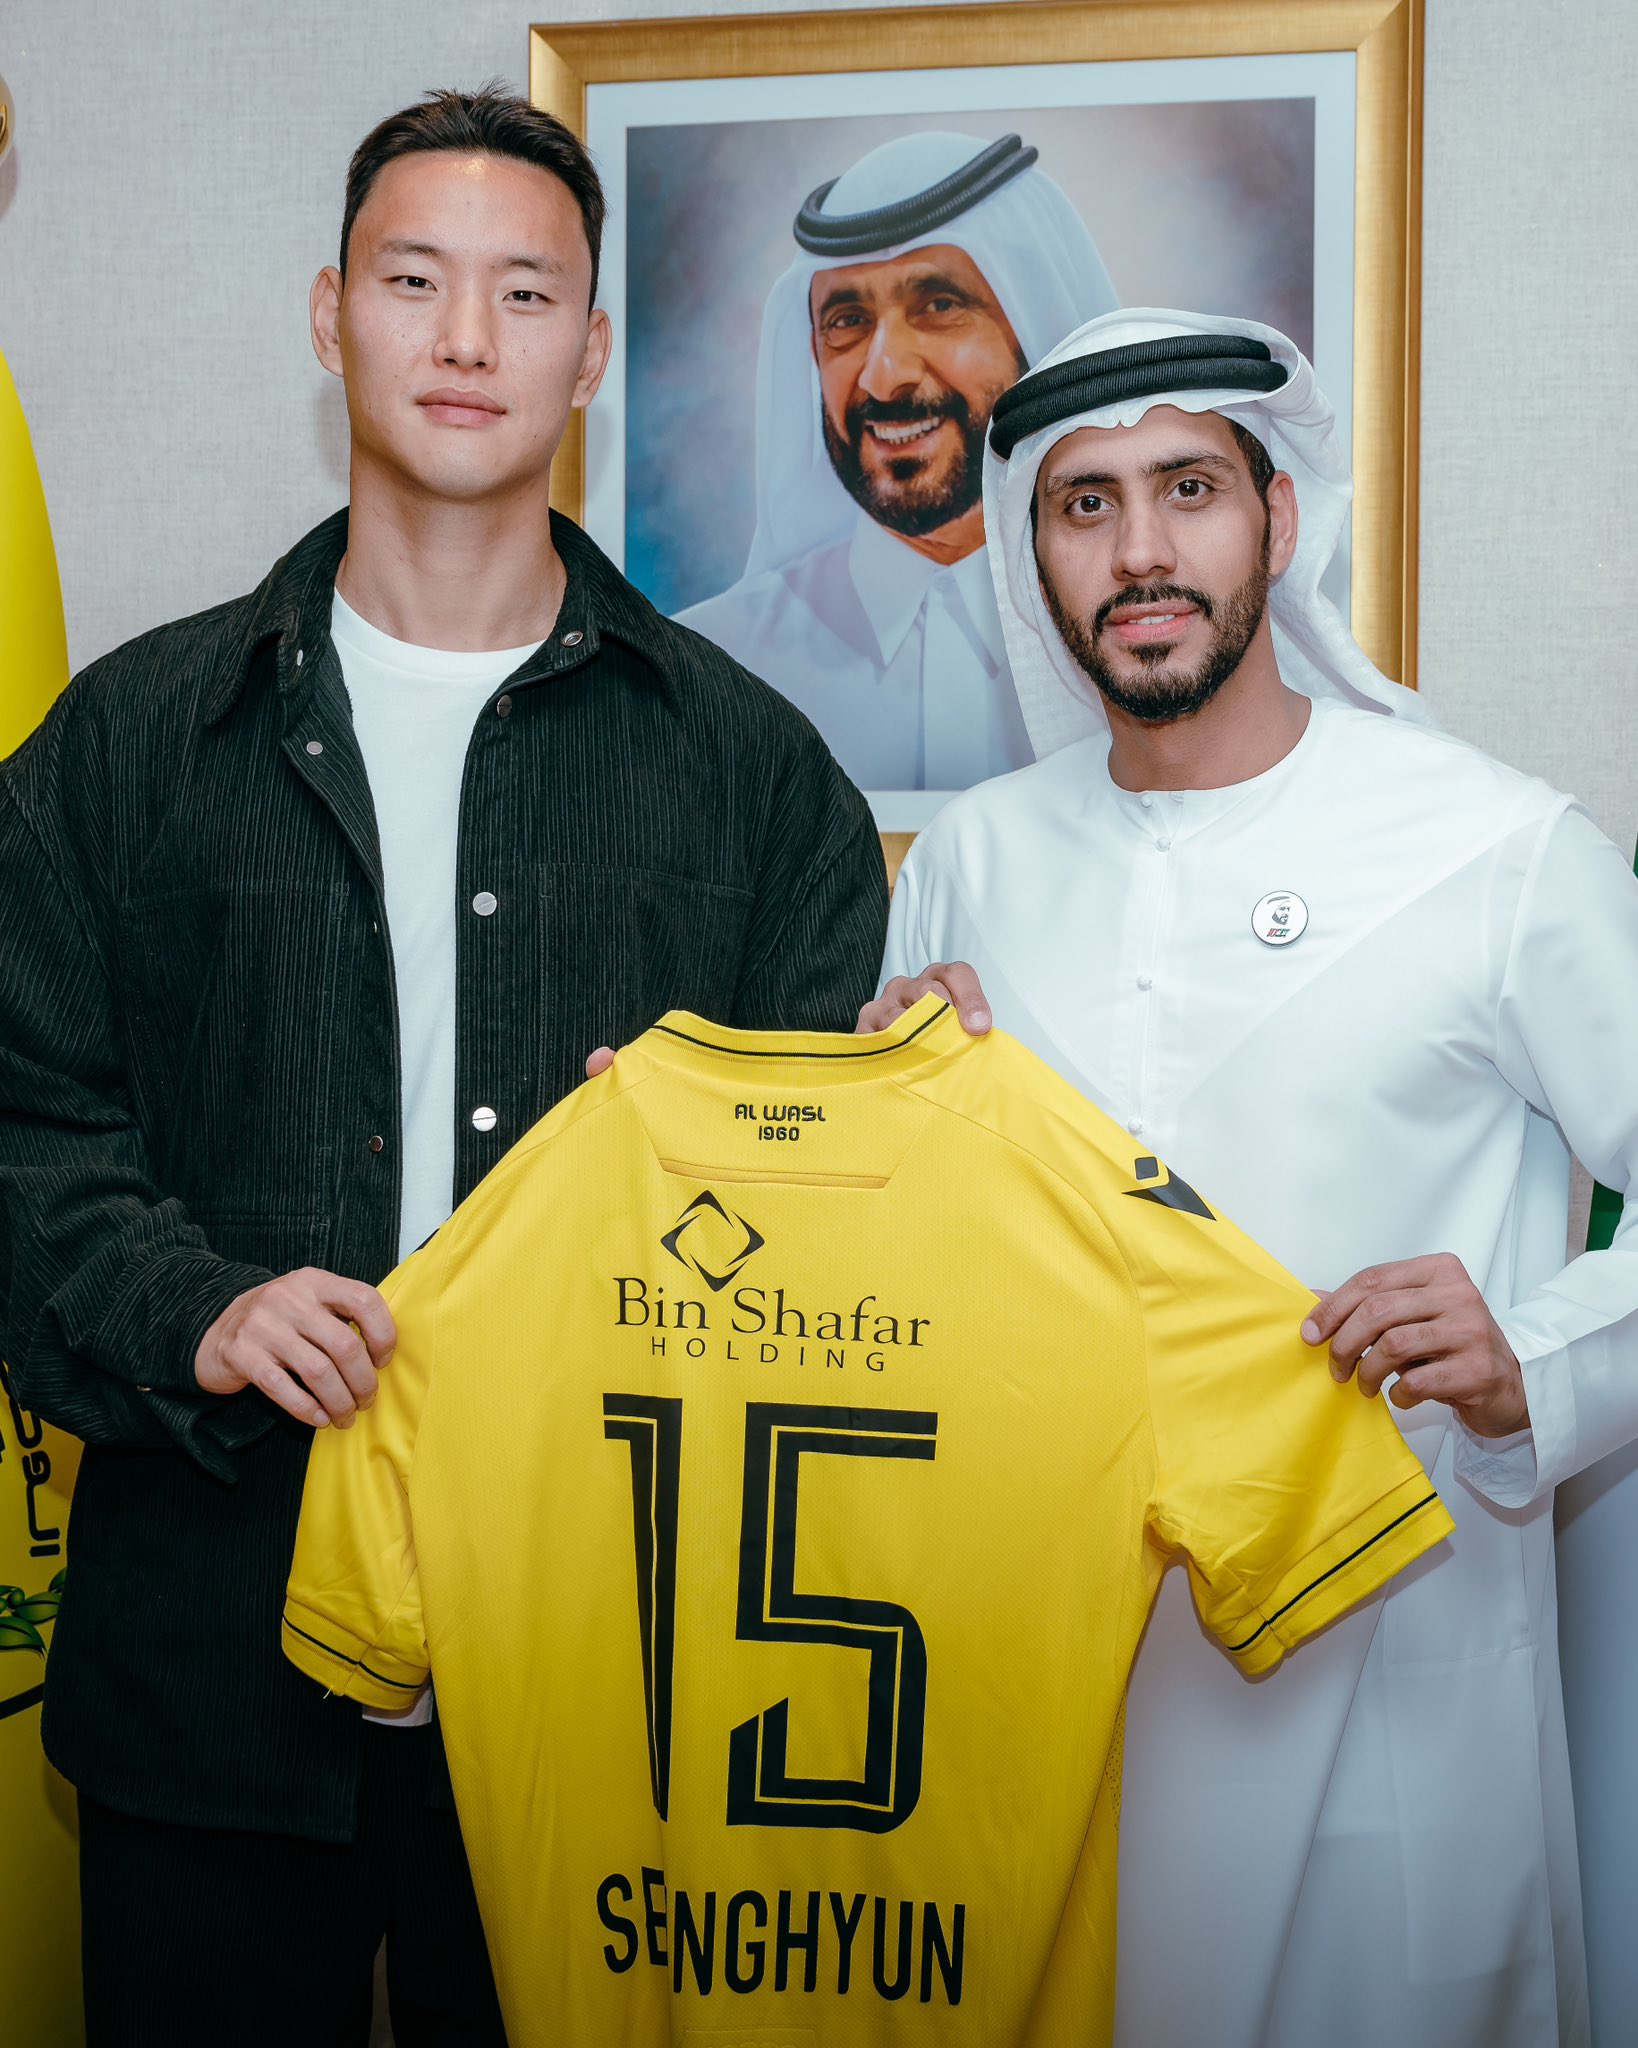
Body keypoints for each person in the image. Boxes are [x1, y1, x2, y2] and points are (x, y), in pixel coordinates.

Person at [0, 86, 886, 2047]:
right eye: (413, 281)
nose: (468, 337)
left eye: (525, 293)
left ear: (592, 350)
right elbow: (22, 1123)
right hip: (209, 1674)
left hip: (613, 1691)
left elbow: (834, 1245)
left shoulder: (753, 776)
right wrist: (195, 1305)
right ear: (330, 317)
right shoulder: (130, 743)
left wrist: (828, 1125)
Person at [864, 307, 1638, 2047]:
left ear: (1277, 520)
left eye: (1188, 489)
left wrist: (1535, 1357)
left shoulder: (1492, 847)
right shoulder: (969, 862)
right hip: (1048, 1707)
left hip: (1392, 1707)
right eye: (1083, 506)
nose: (1138, 551)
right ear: (1033, 562)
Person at [677, 130, 1118, 795]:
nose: (884, 377)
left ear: (1035, 329)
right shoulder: (708, 671)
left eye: (939, 306)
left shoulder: (1156, 638)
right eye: (847, 320)